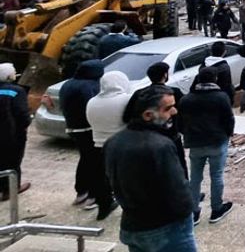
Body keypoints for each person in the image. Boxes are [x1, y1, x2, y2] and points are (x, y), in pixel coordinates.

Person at [106, 86, 197, 252]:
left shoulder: (113, 142)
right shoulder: (160, 146)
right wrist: (189, 210)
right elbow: (177, 190)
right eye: (168, 108)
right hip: (165, 227)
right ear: (148, 115)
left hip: (132, 224)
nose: (175, 112)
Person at [179, 67, 234, 225]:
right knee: (216, 175)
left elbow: (180, 123)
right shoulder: (221, 97)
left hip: (195, 143)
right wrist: (228, 134)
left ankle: (194, 212)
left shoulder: (186, 99)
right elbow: (229, 119)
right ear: (214, 79)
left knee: (195, 178)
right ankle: (216, 209)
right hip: (217, 141)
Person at [123, 62, 189, 178]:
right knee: (178, 169)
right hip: (171, 137)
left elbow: (127, 117)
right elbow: (185, 115)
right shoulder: (173, 93)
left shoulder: (139, 93)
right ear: (165, 75)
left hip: (145, 139)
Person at [85, 71, 132, 220]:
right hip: (122, 145)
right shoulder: (126, 99)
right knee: (125, 178)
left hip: (98, 144)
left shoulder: (92, 101)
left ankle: (104, 205)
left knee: (102, 179)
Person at [60, 59, 104, 209]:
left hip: (73, 128)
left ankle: (81, 192)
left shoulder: (68, 84)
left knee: (85, 160)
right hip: (88, 130)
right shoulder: (89, 86)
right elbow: (92, 107)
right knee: (95, 162)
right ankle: (93, 196)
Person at [0, 63, 30, 201]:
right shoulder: (17, 91)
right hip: (12, 134)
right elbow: (22, 114)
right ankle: (10, 189)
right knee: (14, 161)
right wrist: (26, 124)